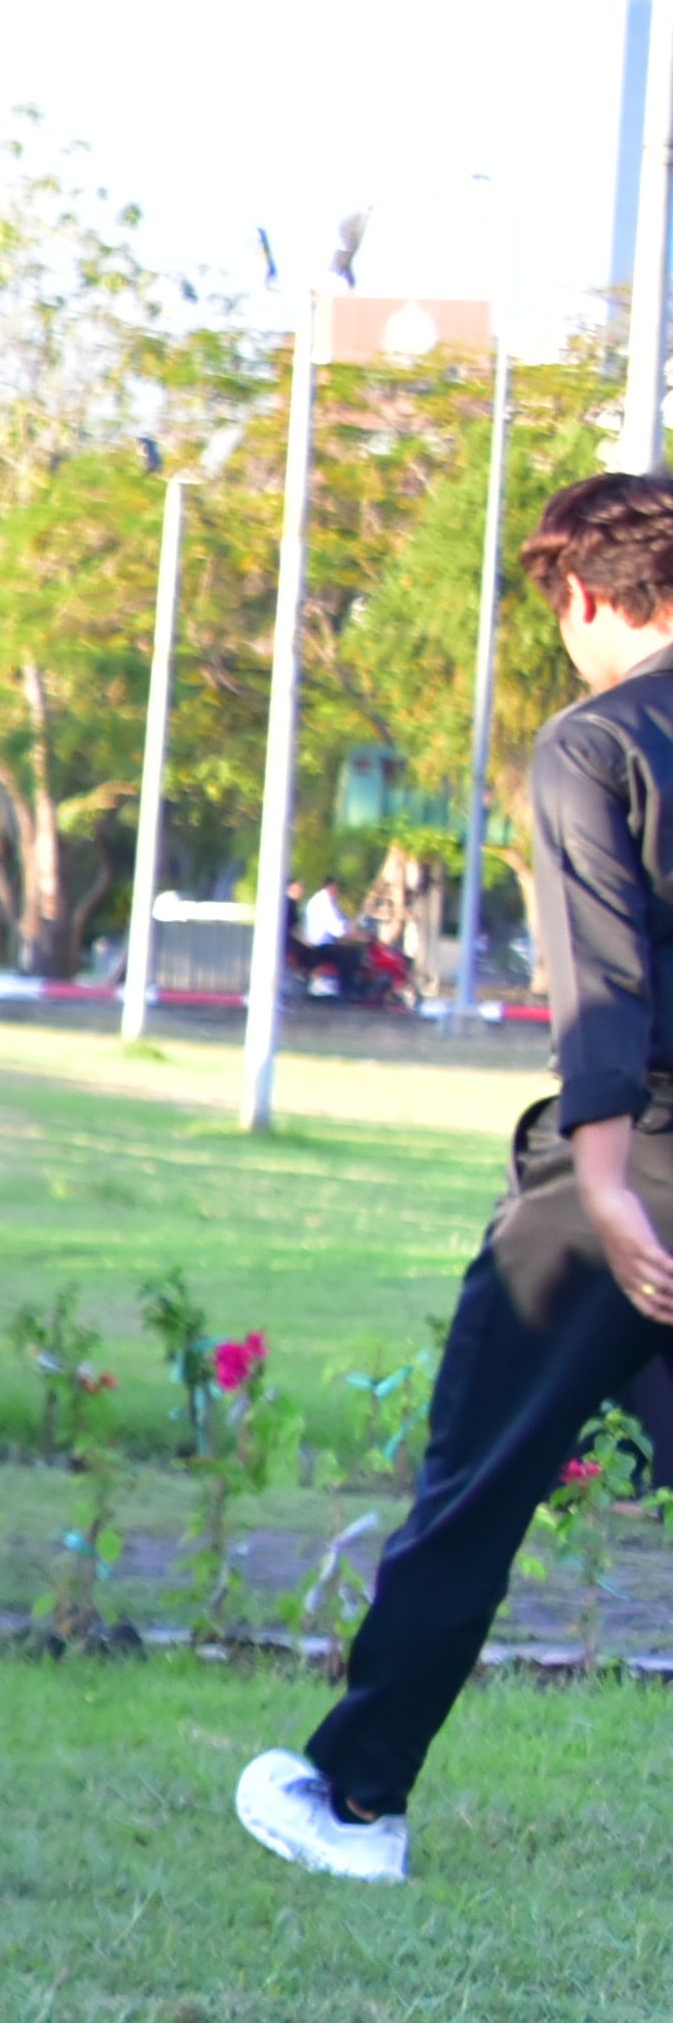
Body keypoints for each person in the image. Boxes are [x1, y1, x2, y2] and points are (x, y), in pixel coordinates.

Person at [243, 476, 673, 1885]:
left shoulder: (598, 742)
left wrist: (602, 1188)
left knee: (478, 1475)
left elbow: (602, 983)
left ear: (587, 595)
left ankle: (355, 1802)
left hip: (627, 1169)